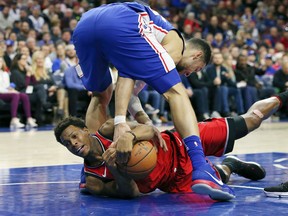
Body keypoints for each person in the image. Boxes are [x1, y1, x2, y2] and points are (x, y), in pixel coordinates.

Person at [72, 1, 215, 198]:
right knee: (177, 92)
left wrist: (146, 122)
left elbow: (130, 92)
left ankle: (91, 166)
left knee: (100, 95)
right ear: (197, 55)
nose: (188, 73)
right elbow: (127, 74)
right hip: (121, 20)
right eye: (195, 69)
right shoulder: (176, 43)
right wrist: (120, 121)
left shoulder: (150, 47)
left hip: (84, 26)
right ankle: (201, 166)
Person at [54, 91, 288, 201]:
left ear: (86, 130)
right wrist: (117, 170)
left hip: (179, 141)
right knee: (219, 178)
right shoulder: (93, 180)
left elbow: (150, 130)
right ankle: (230, 165)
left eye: (74, 136)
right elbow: (131, 193)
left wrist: (129, 136)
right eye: (67, 143)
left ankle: (284, 95)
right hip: (172, 180)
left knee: (252, 120)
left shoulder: (108, 129)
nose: (73, 144)